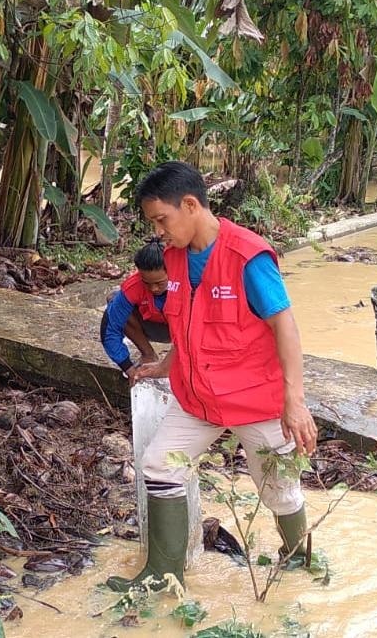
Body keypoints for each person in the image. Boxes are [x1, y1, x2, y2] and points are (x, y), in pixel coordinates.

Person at [107, 161, 317, 592]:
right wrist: (163, 366)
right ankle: (163, 575)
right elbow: (189, 327)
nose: (159, 231)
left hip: (255, 401)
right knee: (159, 466)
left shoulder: (247, 257)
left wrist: (294, 401)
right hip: (198, 398)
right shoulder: (173, 259)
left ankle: (301, 566)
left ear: (189, 205)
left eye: (161, 219)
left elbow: (286, 327)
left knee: (279, 488)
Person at [100, 239, 170, 375]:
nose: (154, 288)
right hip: (151, 327)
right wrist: (128, 368)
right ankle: (148, 355)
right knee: (114, 299)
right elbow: (110, 331)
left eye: (160, 283)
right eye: (147, 283)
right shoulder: (133, 287)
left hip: (181, 330)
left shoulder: (187, 284)